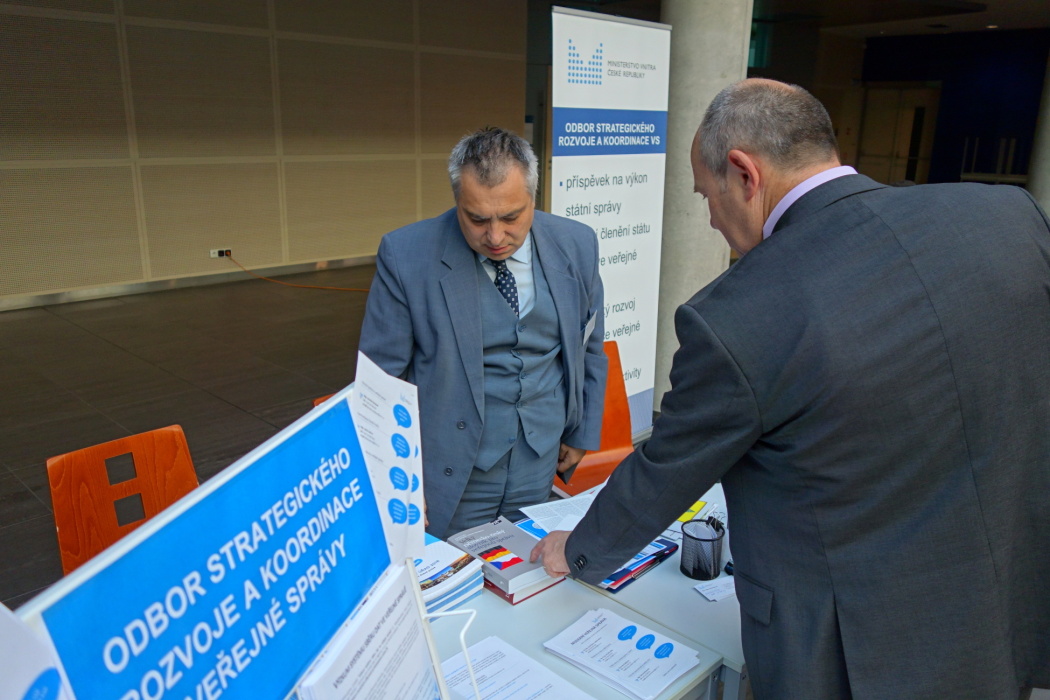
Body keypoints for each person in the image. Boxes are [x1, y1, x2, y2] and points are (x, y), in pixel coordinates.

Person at [531, 79, 1050, 699]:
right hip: (1003, 610)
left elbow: (667, 468)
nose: (711, 218)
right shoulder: (1007, 218)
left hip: (854, 655)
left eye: (707, 195)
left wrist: (578, 550)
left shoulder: (740, 314)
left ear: (744, 174)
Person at [360, 127, 607, 539]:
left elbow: (590, 345)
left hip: (540, 458)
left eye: (511, 217)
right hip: (451, 469)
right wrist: (395, 478)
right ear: (457, 200)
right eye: (477, 219)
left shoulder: (577, 244)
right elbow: (379, 382)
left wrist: (582, 433)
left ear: (533, 198)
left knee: (526, 562)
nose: (495, 236)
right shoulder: (406, 256)